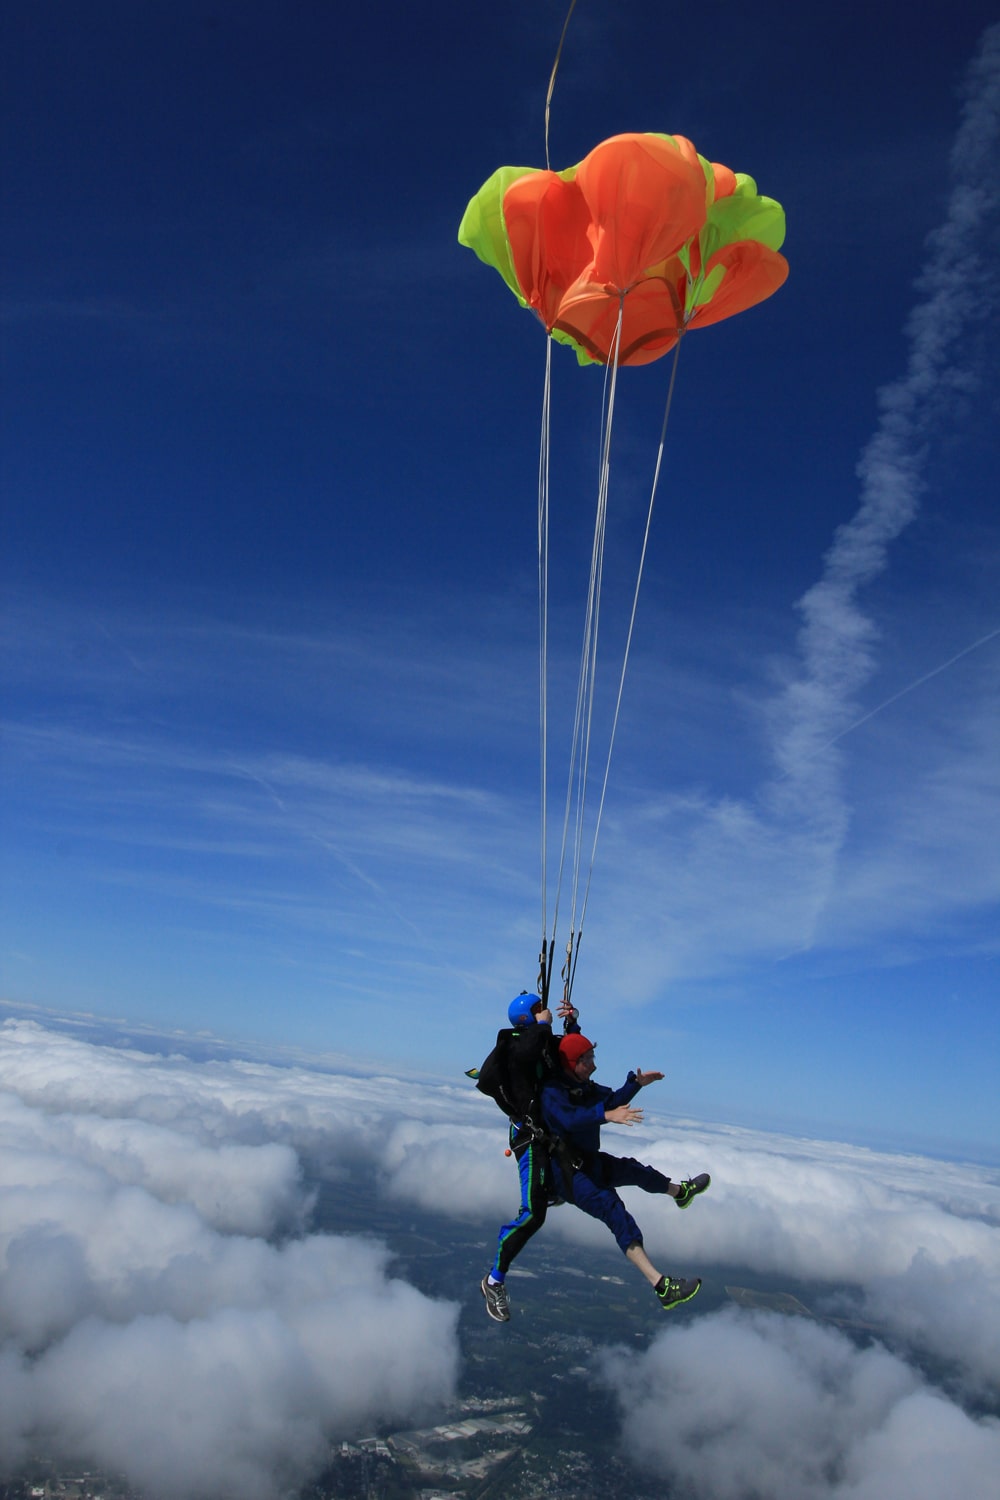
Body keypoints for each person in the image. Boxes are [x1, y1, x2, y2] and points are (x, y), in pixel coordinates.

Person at [539, 1032, 710, 1312]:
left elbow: (613, 1099)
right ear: (572, 1063)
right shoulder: (553, 1092)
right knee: (613, 1208)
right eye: (588, 1059)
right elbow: (567, 1120)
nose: (594, 1065)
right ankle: (661, 1286)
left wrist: (636, 1084)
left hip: (587, 1161)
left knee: (635, 1170)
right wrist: (605, 1116)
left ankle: (680, 1193)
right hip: (565, 1173)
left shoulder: (584, 1086)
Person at [480, 992, 579, 1324]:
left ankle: (549, 1189)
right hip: (529, 1137)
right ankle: (494, 1281)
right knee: (532, 1215)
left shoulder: (539, 1043)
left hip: (543, 1137)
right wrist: (541, 1026)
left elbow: (570, 1056)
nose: (545, 1012)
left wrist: (572, 1022)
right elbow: (524, 1057)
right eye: (538, 1010)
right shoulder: (515, 1045)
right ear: (527, 1018)